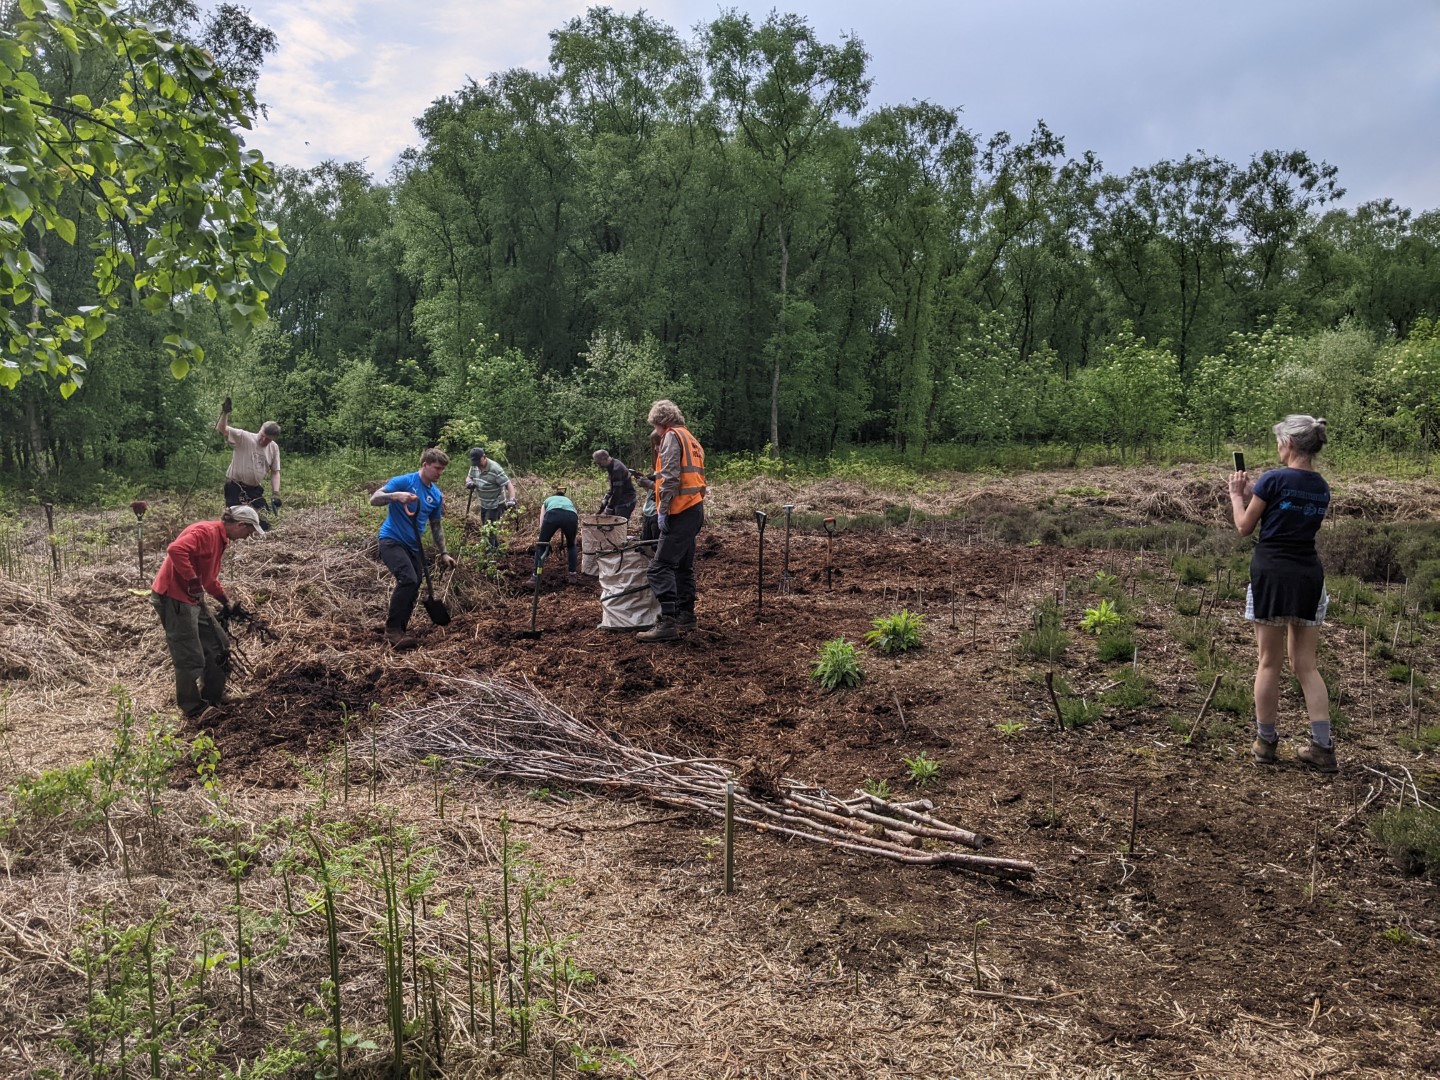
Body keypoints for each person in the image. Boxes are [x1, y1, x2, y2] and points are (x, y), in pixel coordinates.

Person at [1228, 415, 1336, 772]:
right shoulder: (1321, 486)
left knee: (1268, 663)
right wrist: (1253, 495)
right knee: (1306, 665)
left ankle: (1266, 743)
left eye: (1278, 442)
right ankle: (1323, 747)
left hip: (1271, 575)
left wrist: (1236, 496)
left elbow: (1245, 527)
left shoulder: (1273, 479)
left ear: (1289, 444)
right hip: (1308, 576)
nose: (1277, 448)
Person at [151, 505, 265, 718]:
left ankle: (214, 697)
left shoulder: (220, 540)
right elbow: (175, 549)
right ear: (240, 524)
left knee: (219, 645)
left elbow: (209, 580)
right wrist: (192, 580)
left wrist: (225, 601)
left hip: (193, 598)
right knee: (190, 656)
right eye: (248, 532)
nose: (247, 537)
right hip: (174, 597)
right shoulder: (206, 532)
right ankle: (193, 709)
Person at [371, 448, 458, 649]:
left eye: (442, 469)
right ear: (425, 464)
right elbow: (374, 499)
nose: (440, 473)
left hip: (413, 546)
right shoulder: (404, 482)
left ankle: (400, 628)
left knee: (416, 582)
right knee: (408, 579)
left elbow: (436, 525)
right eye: (437, 468)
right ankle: (392, 630)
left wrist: (443, 552)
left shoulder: (436, 495)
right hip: (391, 540)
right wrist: (396, 496)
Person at [637, 400, 706, 642]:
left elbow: (671, 478)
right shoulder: (692, 439)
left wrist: (663, 510)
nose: (655, 431)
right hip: (695, 509)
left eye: (655, 426)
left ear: (662, 423)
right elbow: (695, 477)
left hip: (680, 511)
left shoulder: (670, 437)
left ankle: (667, 623)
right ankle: (686, 616)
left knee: (659, 567)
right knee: (683, 566)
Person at [216, 397, 281, 516]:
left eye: (268, 439)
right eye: (262, 435)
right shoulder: (244, 437)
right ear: (260, 429)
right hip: (235, 486)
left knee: (265, 520)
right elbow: (222, 429)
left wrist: (275, 493)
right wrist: (225, 413)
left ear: (273, 439)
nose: (263, 440)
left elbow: (275, 472)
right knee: (236, 518)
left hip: (254, 489)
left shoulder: (273, 448)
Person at [465, 447, 516, 550]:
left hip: (496, 504)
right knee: (488, 528)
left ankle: (490, 555)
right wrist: (469, 482)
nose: (477, 465)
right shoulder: (474, 466)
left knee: (488, 531)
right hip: (484, 503)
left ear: (484, 456)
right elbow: (469, 476)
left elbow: (508, 484)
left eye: (478, 461)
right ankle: (496, 550)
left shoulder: (495, 469)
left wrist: (512, 499)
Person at [538, 486, 581, 584]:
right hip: (571, 516)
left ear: (555, 495)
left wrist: (544, 534)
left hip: (552, 514)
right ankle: (572, 574)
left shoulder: (547, 500)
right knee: (571, 545)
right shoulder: (569, 501)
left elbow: (541, 523)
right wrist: (572, 538)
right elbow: (575, 516)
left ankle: (536, 576)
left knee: (541, 545)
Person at [632, 431, 663, 545]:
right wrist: (645, 483)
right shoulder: (658, 468)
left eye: (657, 444)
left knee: (656, 545)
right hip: (648, 512)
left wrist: (650, 484)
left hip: (658, 513)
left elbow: (665, 491)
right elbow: (652, 492)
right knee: (645, 545)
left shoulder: (670, 468)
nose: (655, 448)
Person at [592, 449, 637, 520]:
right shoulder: (612, 465)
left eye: (599, 463)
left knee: (618, 526)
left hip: (626, 502)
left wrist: (608, 509)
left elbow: (617, 492)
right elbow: (612, 488)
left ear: (604, 459)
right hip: (620, 500)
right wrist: (603, 505)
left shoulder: (617, 469)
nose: (599, 466)